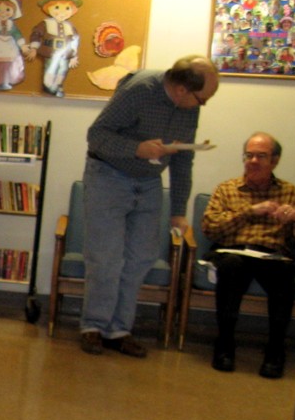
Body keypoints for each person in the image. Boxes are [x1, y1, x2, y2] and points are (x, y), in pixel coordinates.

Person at [80, 54, 219, 357]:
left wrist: (178, 211)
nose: (203, 105)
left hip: (149, 183)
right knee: (105, 258)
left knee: (140, 258)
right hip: (107, 176)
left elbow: (183, 158)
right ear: (182, 89)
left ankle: (118, 330)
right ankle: (93, 327)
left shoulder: (189, 107)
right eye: (202, 99)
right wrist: (137, 149)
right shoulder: (140, 90)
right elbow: (96, 135)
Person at [201, 132, 295, 378]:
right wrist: (249, 211)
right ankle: (225, 345)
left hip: (271, 255)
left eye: (261, 156)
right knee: (231, 267)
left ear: (275, 161)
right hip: (233, 251)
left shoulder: (289, 192)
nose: (253, 161)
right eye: (249, 155)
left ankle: (275, 350)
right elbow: (210, 228)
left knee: (285, 273)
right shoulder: (227, 189)